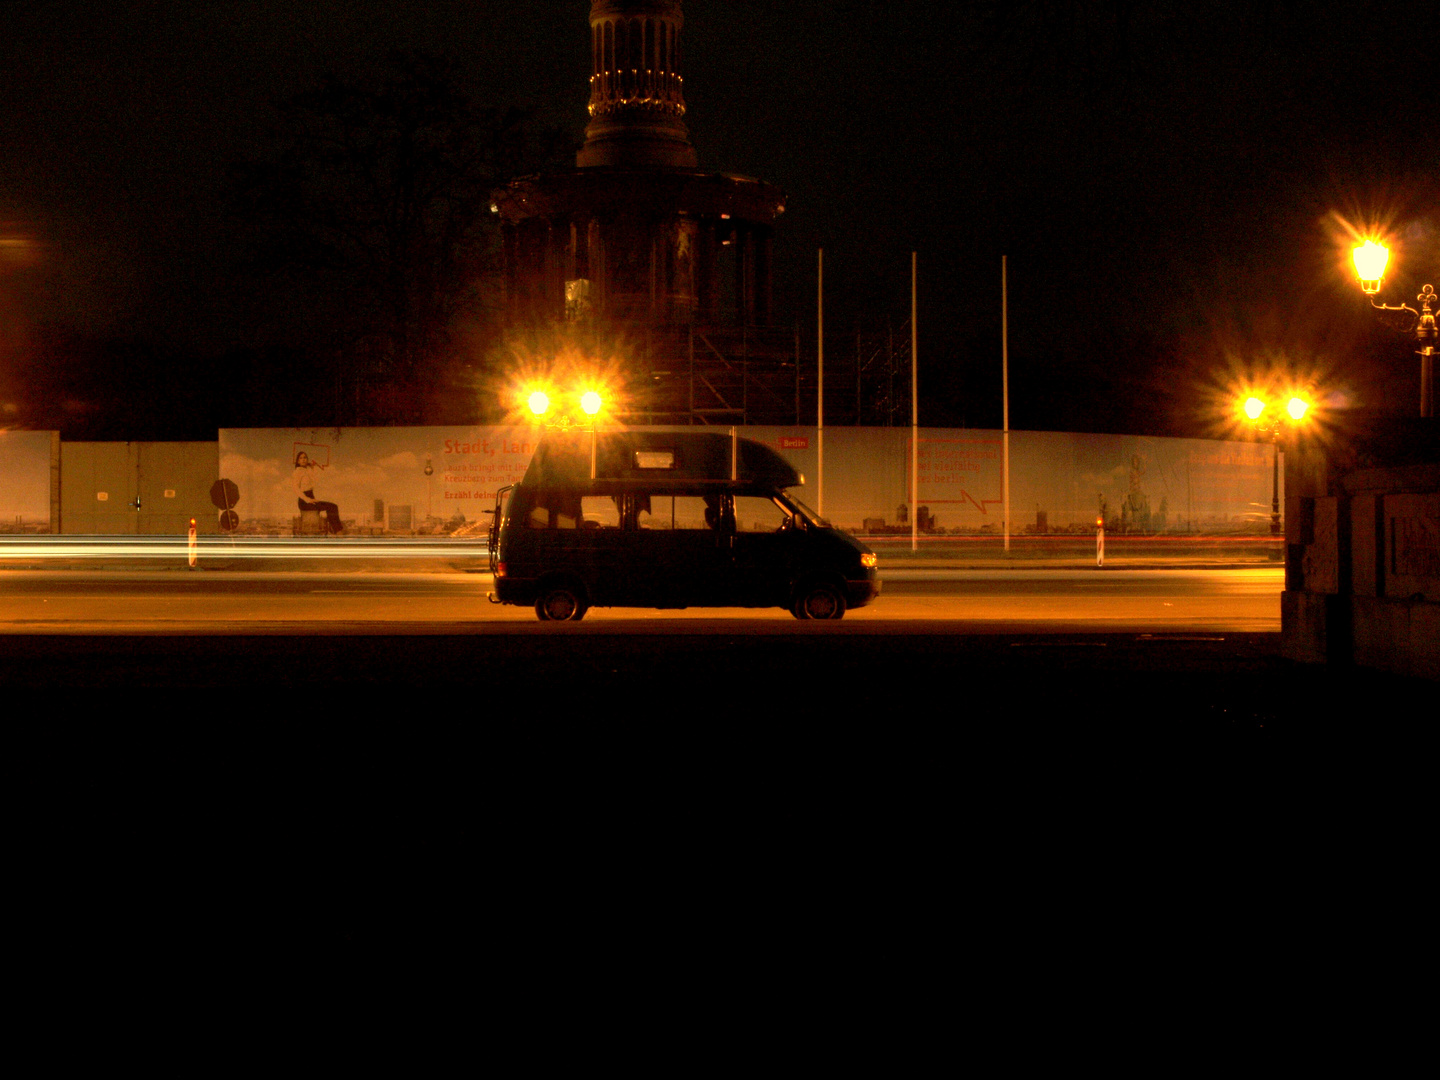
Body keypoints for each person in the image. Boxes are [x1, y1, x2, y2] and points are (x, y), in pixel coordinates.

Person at [293, 450, 342, 534]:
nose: (303, 459)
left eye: (305, 457)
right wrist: (308, 499)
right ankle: (337, 530)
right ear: (298, 461)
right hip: (304, 501)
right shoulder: (297, 471)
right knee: (332, 507)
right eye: (301, 458)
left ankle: (335, 529)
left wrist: (312, 468)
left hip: (310, 497)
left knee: (333, 506)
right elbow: (295, 488)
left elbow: (314, 482)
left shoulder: (307, 470)